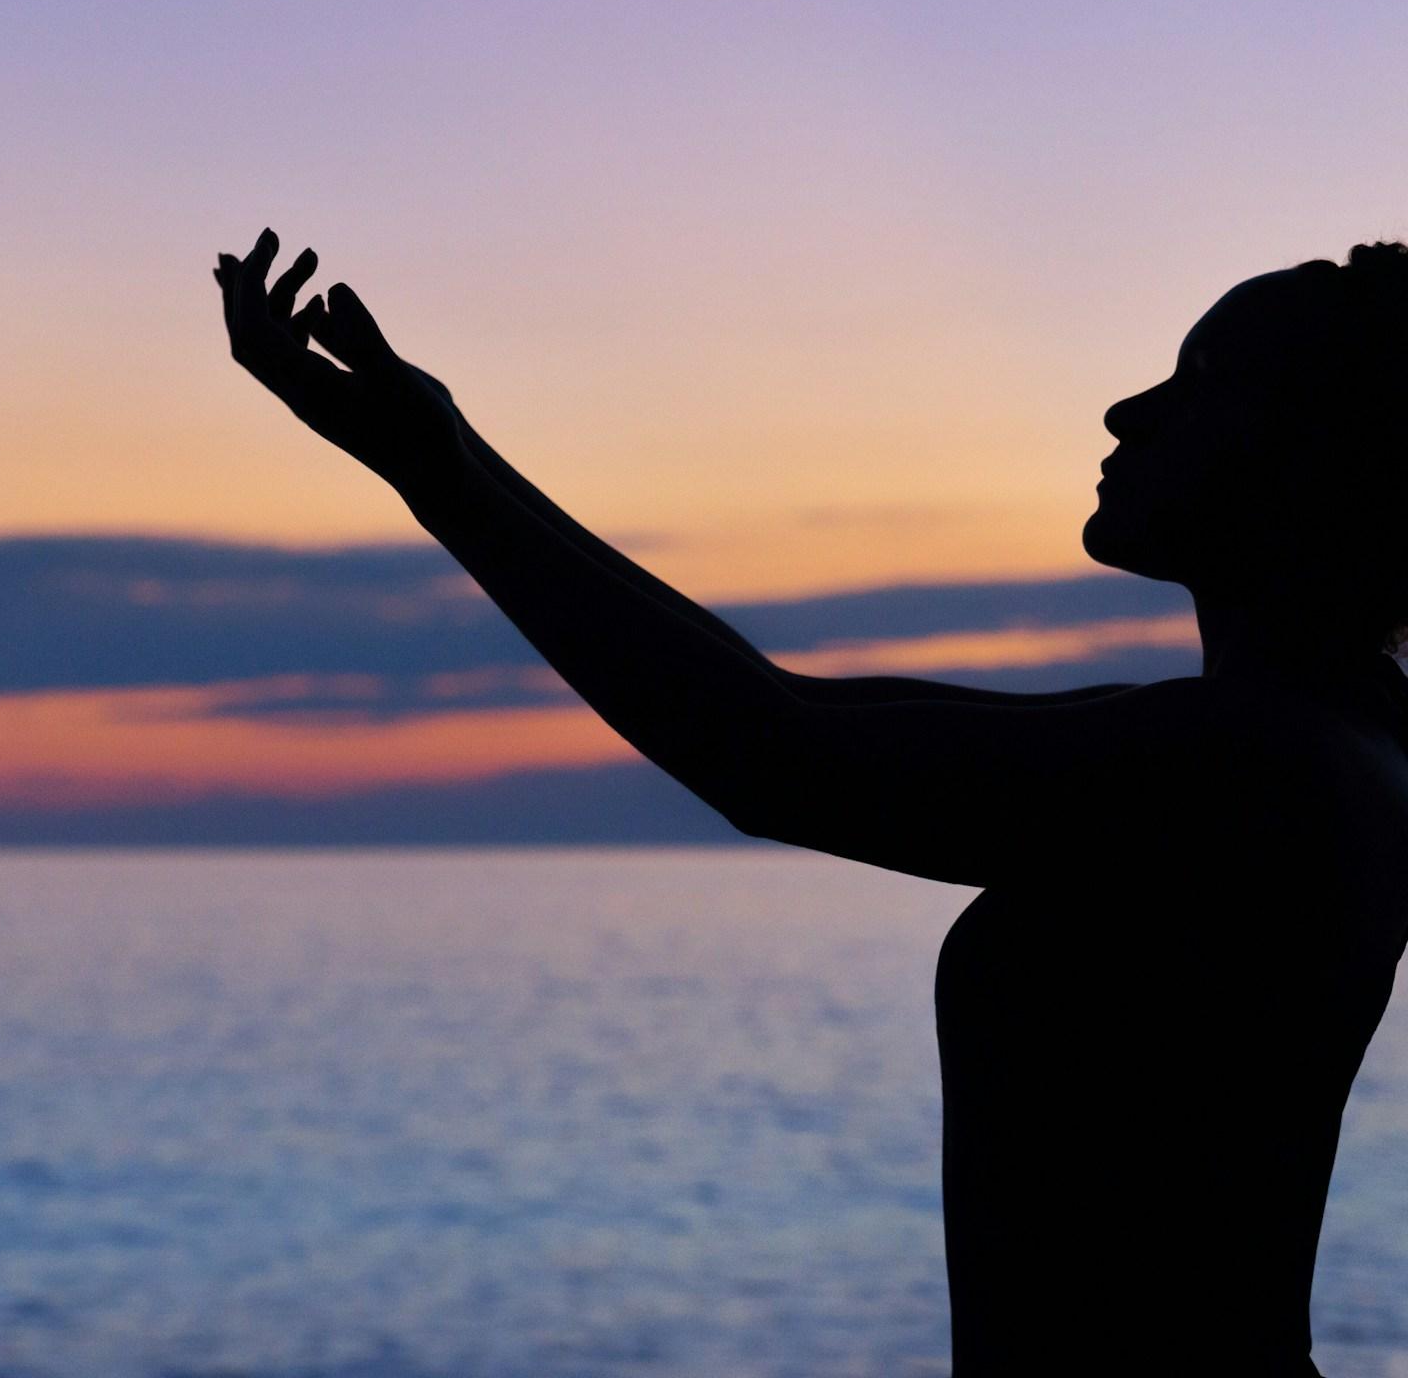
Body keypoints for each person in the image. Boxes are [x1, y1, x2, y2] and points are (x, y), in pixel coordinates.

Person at [215, 231, 1408, 1376]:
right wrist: (446, 450)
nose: (1125, 411)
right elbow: (782, 711)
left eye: (1193, 381)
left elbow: (763, 753)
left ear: (1302, 451)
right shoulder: (1296, 740)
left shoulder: (1252, 763)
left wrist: (433, 467)